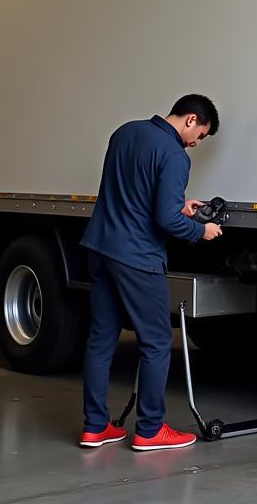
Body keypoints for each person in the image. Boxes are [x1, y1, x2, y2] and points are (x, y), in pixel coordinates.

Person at [78, 94, 224, 452]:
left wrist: (181, 205)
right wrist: (200, 231)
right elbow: (165, 219)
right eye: (200, 135)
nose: (196, 143)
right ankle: (150, 429)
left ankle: (95, 427)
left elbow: (133, 192)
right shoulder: (175, 155)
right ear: (190, 119)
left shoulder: (125, 132)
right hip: (137, 257)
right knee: (157, 342)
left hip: (99, 247)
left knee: (101, 339)